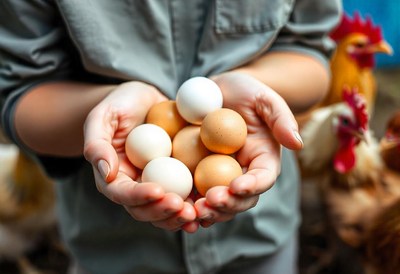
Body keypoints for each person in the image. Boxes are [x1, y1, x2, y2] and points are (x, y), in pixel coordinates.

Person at [0, 1, 341, 274]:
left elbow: (310, 53)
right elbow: (20, 95)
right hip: (112, 250)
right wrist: (102, 110)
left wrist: (256, 87)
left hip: (261, 238)